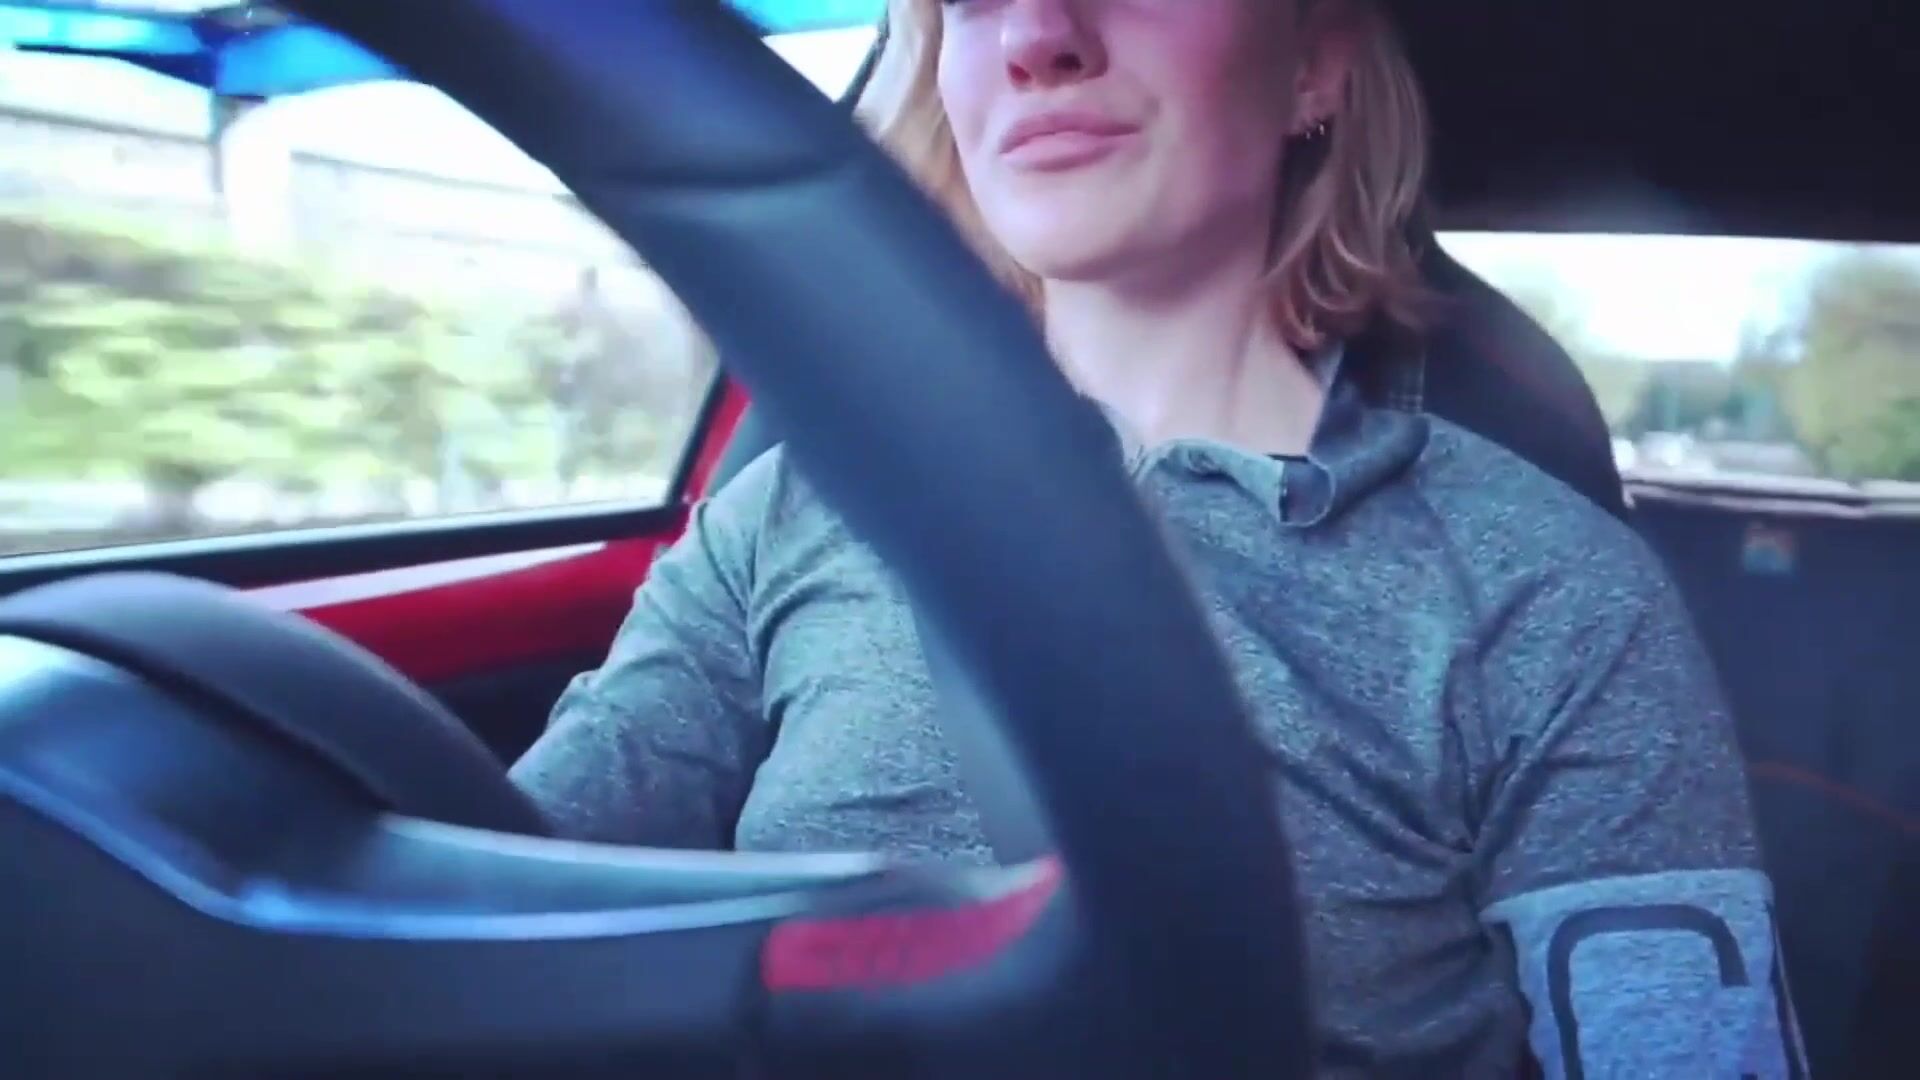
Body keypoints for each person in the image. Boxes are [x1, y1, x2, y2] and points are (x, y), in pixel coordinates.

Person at [511, 0, 1806, 1075]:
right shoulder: (791, 508)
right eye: (970, 0)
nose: (1036, 35)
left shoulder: (1549, 588)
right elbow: (508, 897)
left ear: (1313, 65)